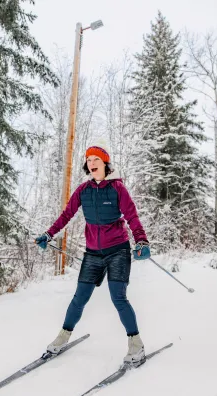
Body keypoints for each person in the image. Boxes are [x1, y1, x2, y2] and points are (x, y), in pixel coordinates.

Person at [35, 142, 151, 365]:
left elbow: (132, 217)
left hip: (117, 250)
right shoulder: (83, 191)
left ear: (106, 164)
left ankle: (136, 344)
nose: (92, 163)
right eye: (88, 160)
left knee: (118, 296)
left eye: (96, 159)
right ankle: (62, 337)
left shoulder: (118, 189)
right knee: (79, 298)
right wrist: (49, 234)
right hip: (93, 253)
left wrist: (141, 241)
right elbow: (66, 215)